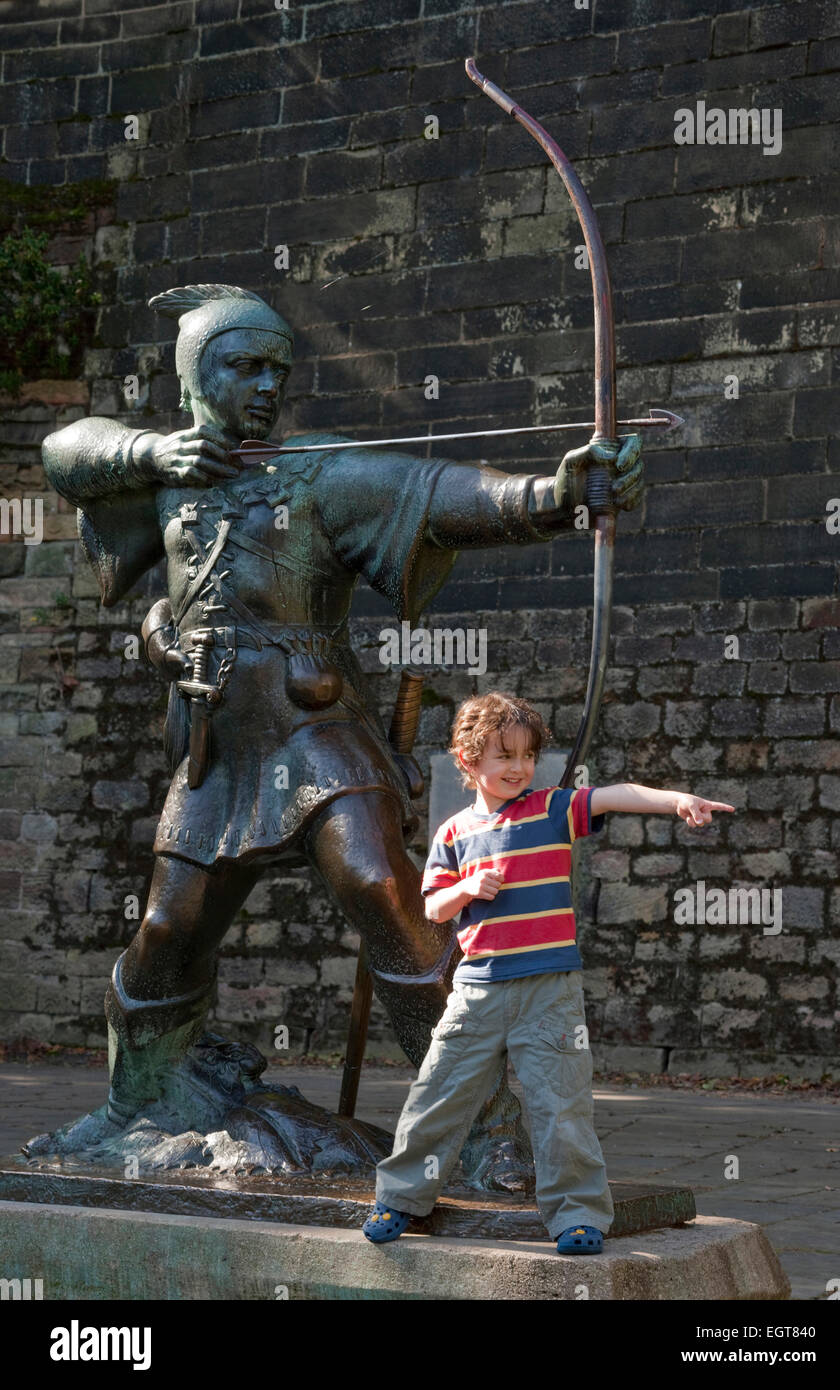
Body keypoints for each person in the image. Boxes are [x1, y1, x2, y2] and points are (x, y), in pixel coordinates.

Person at [36, 283, 646, 1185]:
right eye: (243, 366)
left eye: (278, 370)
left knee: (379, 885)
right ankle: (140, 1099)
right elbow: (66, 452)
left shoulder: (318, 472)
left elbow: (439, 494)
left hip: (316, 733)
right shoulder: (165, 473)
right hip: (215, 746)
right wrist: (153, 478)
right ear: (196, 375)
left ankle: (485, 1125)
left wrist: (554, 495)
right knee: (166, 929)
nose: (266, 386)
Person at [363, 692, 735, 1253]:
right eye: (504, 756)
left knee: (561, 1106)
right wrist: (466, 887)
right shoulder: (453, 834)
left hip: (550, 991)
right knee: (436, 1096)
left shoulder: (552, 809)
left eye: (528, 756)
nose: (519, 768)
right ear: (468, 761)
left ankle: (578, 1215)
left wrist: (676, 799)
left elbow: (617, 794)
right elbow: (433, 908)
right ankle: (400, 1199)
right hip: (476, 991)